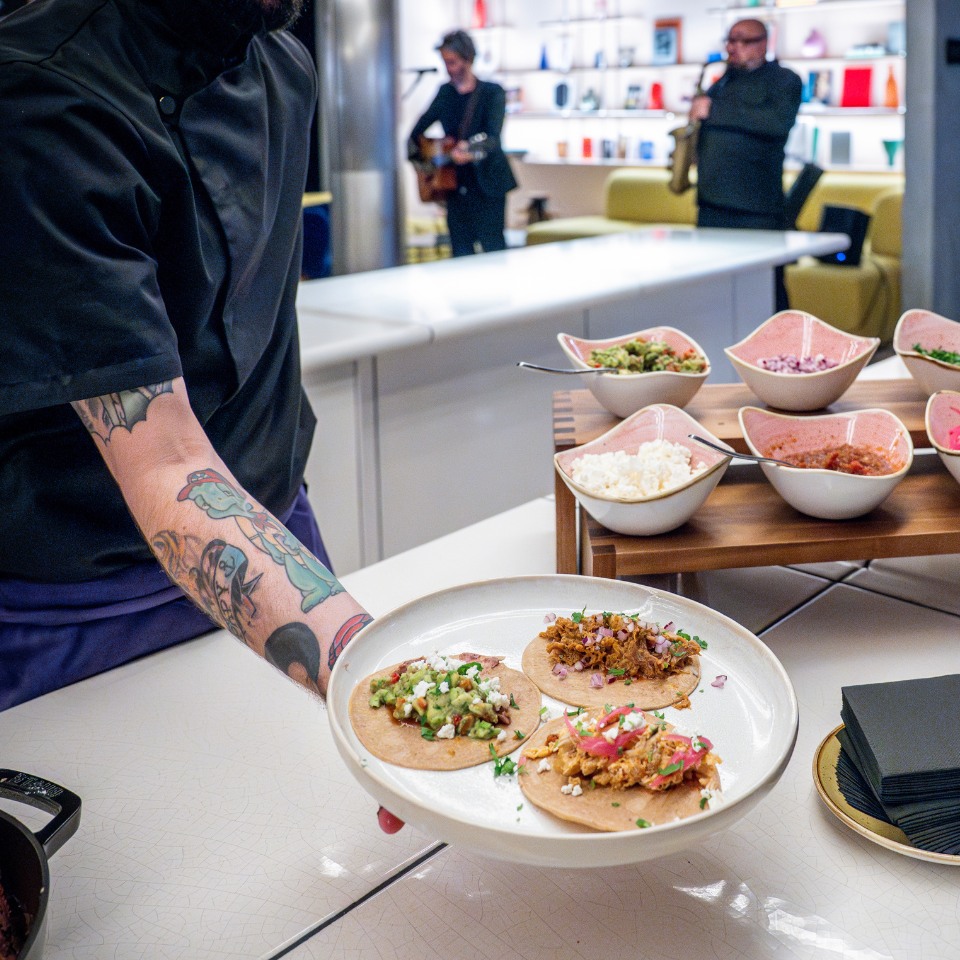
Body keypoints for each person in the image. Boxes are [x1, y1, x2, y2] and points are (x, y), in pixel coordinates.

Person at [0, 0, 372, 713]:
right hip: (87, 606)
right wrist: (390, 679)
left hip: (283, 549)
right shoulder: (37, 98)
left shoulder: (284, 64)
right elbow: (165, 462)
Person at [690, 19, 802, 312]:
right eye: (730, 40)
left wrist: (713, 110)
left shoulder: (784, 80)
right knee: (714, 290)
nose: (732, 47)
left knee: (766, 289)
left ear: (763, 43)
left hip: (756, 208)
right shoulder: (723, 81)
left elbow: (777, 122)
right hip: (713, 205)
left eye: (742, 40)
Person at [408, 29, 517, 257]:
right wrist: (430, 165)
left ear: (468, 59)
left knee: (493, 248)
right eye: (445, 62)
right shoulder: (445, 93)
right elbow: (415, 135)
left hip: (487, 183)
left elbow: (492, 138)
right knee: (460, 251)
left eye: (453, 62)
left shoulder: (492, 93)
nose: (448, 68)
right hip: (455, 184)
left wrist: (469, 151)